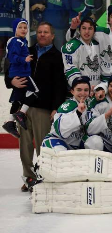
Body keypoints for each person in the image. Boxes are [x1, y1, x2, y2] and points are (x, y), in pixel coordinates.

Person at [4, 22, 67, 192]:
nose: (42, 35)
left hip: (43, 108)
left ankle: (44, 176)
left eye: (46, 32)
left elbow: (60, 85)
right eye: (39, 32)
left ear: (52, 35)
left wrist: (56, 107)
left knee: (42, 145)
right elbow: (10, 70)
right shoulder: (27, 51)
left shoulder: (56, 56)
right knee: (25, 145)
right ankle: (29, 176)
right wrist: (12, 82)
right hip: (22, 109)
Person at [67, 5, 112, 81]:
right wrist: (73, 27)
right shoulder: (99, 32)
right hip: (102, 80)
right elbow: (71, 38)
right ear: (108, 20)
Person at [2, 19, 38, 138]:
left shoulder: (22, 41)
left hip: (19, 72)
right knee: (34, 91)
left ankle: (9, 121)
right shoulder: (16, 41)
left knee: (18, 98)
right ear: (15, 29)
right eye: (20, 27)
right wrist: (24, 60)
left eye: (25, 27)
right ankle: (21, 113)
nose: (23, 30)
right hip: (21, 73)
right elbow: (12, 58)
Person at [40, 76, 90, 152]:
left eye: (86, 90)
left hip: (75, 145)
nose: (83, 93)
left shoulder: (90, 106)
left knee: (95, 141)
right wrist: (78, 113)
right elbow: (60, 130)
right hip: (57, 142)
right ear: (72, 91)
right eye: (79, 90)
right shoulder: (67, 106)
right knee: (62, 154)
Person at [84, 73, 112, 154]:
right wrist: (107, 114)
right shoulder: (98, 101)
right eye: (111, 86)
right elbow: (89, 128)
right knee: (95, 142)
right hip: (97, 143)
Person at [62, 18, 101, 88]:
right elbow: (71, 71)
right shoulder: (72, 46)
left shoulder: (98, 45)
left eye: (90, 28)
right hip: (80, 92)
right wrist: (84, 88)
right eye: (84, 28)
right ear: (79, 30)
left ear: (94, 31)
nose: (87, 31)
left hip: (97, 91)